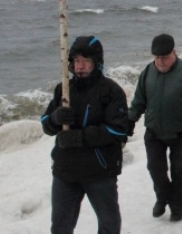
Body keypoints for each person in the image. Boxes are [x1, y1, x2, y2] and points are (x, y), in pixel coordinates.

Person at [41, 36, 128, 234]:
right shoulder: (63, 90)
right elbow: (46, 126)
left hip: (100, 170)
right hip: (66, 170)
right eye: (76, 61)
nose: (79, 66)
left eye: (86, 61)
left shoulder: (111, 92)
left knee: (109, 224)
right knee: (60, 226)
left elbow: (117, 130)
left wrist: (78, 138)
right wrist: (55, 118)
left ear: (97, 63)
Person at [127, 34, 182, 222]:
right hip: (154, 131)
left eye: (164, 57)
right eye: (157, 58)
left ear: (174, 52)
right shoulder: (147, 72)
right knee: (156, 170)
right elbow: (138, 100)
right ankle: (162, 197)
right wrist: (130, 120)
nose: (161, 62)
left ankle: (177, 207)